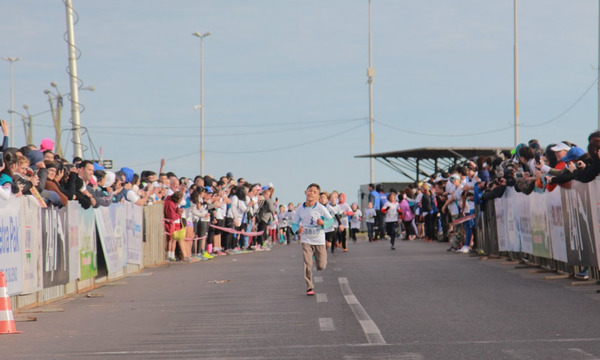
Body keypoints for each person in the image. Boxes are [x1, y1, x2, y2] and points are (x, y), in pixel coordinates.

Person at [292, 183, 333, 296]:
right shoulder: (300, 209)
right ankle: (309, 286)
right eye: (309, 191)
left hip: (319, 240)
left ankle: (316, 258)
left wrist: (323, 223)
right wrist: (297, 229)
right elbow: (294, 223)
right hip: (306, 240)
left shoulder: (321, 208)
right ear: (305, 192)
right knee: (307, 264)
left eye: (314, 192)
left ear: (318, 196)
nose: (311, 193)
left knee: (321, 266)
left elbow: (331, 221)